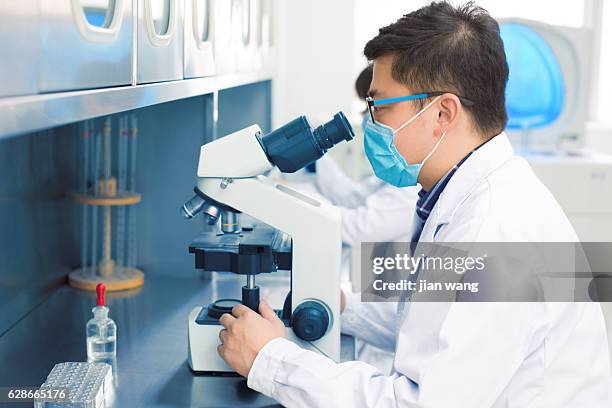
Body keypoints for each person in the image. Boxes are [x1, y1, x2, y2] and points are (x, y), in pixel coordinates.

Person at [215, 2, 612, 407]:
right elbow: (436, 324)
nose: (371, 124)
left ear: (443, 112)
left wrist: (270, 360)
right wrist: (346, 307)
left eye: (380, 106)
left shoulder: (492, 233)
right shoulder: (463, 195)